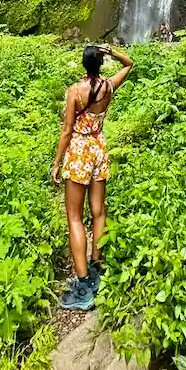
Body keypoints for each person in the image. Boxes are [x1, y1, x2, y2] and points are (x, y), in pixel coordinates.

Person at [51, 43, 134, 310]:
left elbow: (66, 132)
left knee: (74, 217)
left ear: (84, 64)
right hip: (99, 147)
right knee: (98, 211)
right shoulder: (109, 86)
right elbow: (129, 64)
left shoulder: (76, 91)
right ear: (101, 63)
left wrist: (56, 163)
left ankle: (84, 285)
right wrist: (112, 51)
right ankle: (96, 265)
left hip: (79, 151)